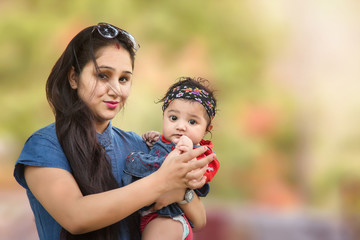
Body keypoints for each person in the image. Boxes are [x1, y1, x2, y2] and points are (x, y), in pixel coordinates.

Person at [13, 23, 214, 240]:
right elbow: (76, 217)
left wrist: (182, 192)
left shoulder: (137, 145)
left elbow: (199, 219)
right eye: (103, 75)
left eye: (124, 79)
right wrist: (162, 182)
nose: (116, 90)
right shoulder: (45, 146)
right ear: (73, 78)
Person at [122, 77, 220, 240]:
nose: (181, 126)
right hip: (149, 216)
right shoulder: (161, 142)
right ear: (164, 116)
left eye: (192, 122)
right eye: (173, 118)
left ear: (206, 129)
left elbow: (203, 174)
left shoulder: (199, 152)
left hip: (168, 219)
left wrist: (189, 157)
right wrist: (155, 140)